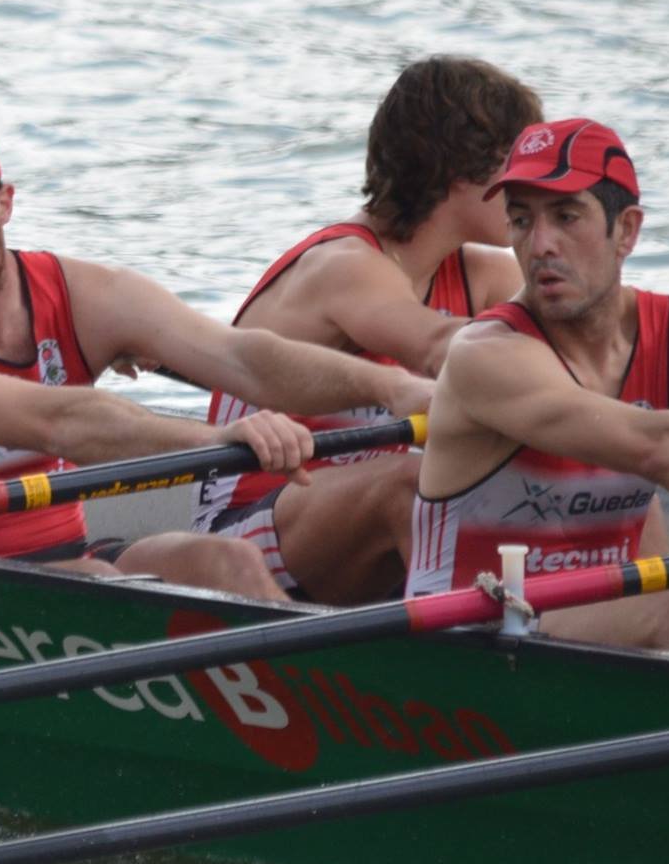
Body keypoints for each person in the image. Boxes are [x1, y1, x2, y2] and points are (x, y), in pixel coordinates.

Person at [0, 113, 432, 599]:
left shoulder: (80, 291)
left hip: (64, 561)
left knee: (226, 564)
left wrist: (393, 390)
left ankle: (319, 711)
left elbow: (242, 358)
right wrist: (215, 444)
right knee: (99, 581)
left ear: (3, 204)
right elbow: (59, 421)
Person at [193, 56, 544, 602]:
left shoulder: (481, 274)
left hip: (353, 528)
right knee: (413, 486)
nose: (536, 189)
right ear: (461, 170)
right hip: (248, 521)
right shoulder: (344, 267)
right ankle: (477, 660)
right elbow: (436, 347)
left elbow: (593, 329)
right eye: (520, 165)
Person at [413, 118, 669, 654]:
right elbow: (658, 447)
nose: (540, 244)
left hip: (594, 625)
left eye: (566, 216)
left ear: (627, 230)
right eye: (521, 220)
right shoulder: (489, 355)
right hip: (465, 639)